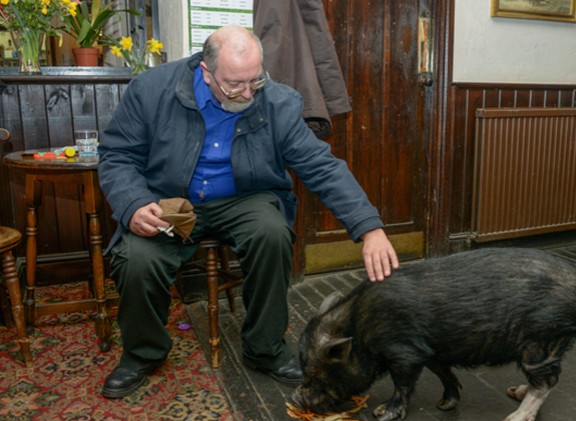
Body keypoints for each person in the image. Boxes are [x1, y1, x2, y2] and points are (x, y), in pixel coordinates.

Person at [97, 24, 399, 399]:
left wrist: (370, 228)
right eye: (234, 84)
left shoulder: (277, 102)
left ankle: (265, 348)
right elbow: (117, 155)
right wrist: (134, 203)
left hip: (245, 196)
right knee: (137, 258)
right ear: (206, 72)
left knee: (271, 232)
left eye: (255, 80)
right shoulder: (151, 89)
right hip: (170, 199)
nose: (247, 92)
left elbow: (321, 166)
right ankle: (142, 354)